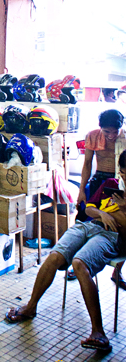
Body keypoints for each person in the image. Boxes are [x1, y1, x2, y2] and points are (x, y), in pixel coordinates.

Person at [5, 150, 126, 353]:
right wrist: (102, 214)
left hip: (111, 237)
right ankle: (30, 307)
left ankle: (98, 333)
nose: (124, 178)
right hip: (89, 226)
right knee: (54, 256)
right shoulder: (111, 185)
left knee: (79, 264)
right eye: (123, 173)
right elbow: (88, 209)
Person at [76, 109, 125, 286]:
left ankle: (117, 271)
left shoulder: (125, 137)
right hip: (99, 180)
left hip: (120, 182)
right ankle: (78, 263)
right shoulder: (93, 136)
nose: (111, 136)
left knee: (120, 224)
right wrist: (82, 190)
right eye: (107, 132)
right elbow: (87, 163)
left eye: (115, 131)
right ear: (100, 129)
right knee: (85, 219)